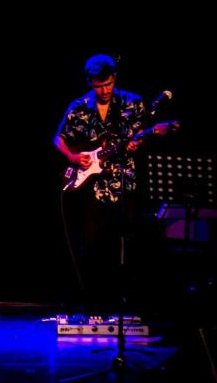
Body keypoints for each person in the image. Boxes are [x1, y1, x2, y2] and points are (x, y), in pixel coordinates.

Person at [53, 55, 152, 306]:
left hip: (124, 182)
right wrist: (74, 157)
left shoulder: (133, 103)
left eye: (108, 84)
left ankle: (125, 300)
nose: (105, 90)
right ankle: (94, 301)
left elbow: (142, 135)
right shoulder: (79, 106)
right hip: (92, 188)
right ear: (90, 82)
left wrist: (138, 144)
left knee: (126, 241)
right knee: (92, 244)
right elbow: (58, 139)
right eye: (99, 86)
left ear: (115, 78)